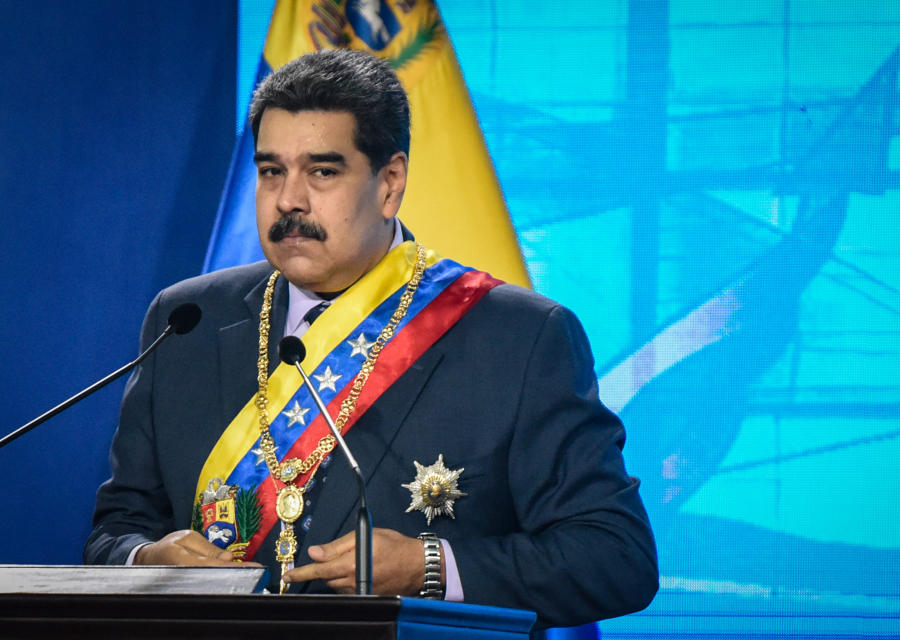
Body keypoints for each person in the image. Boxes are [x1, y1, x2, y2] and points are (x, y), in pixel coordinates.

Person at [84, 49, 658, 629]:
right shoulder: (187, 319)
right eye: (271, 171)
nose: (289, 200)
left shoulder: (520, 337)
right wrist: (146, 559)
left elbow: (616, 557)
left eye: (323, 172)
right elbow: (116, 529)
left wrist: (429, 565)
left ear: (389, 184)